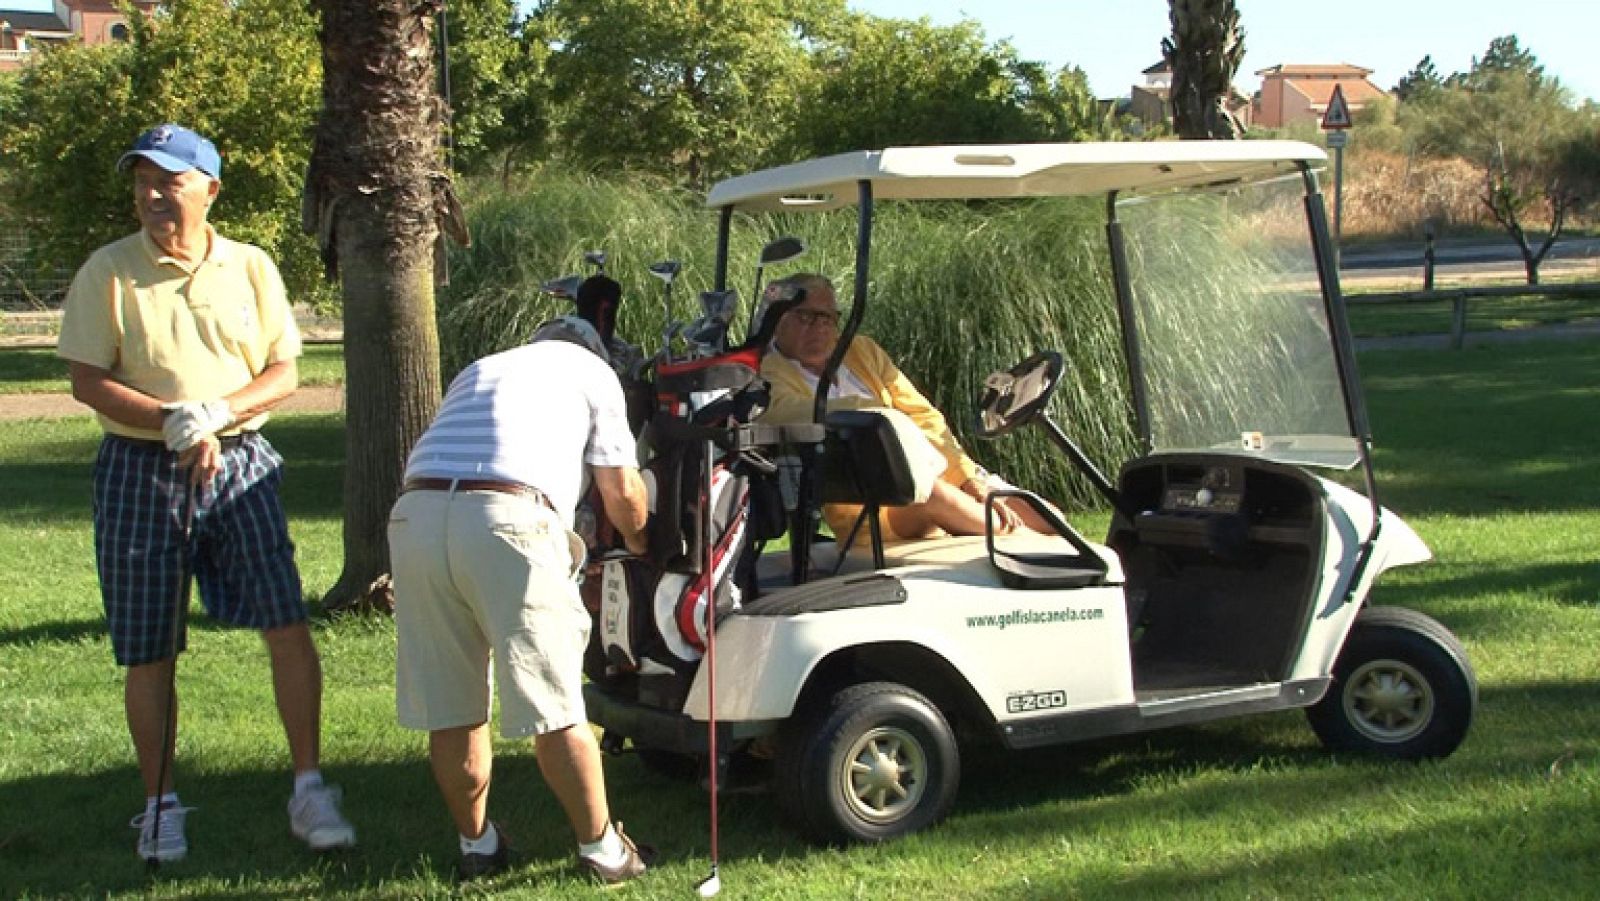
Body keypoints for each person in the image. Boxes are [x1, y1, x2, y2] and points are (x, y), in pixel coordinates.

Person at [56, 123, 355, 862]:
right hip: (139, 468)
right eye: (142, 182)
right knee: (149, 645)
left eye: (169, 180)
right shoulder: (109, 270)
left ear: (210, 189)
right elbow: (87, 378)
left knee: (285, 621)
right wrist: (172, 419)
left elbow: (284, 369)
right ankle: (160, 804)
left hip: (243, 462)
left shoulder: (250, 266)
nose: (153, 194)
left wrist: (216, 413)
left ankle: (309, 786)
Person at [387, 315, 654, 885]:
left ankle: (477, 845)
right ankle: (604, 851)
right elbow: (620, 490)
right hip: (508, 517)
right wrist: (640, 539)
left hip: (415, 514)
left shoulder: (482, 367)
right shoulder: (595, 373)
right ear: (595, 350)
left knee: (453, 707)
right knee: (555, 703)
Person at [759, 273, 1055, 543]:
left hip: (934, 475)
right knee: (939, 498)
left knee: (1047, 515)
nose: (821, 328)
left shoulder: (861, 351)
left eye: (828, 318)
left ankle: (1031, 542)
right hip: (873, 503)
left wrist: (966, 479)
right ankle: (1030, 551)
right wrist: (882, 418)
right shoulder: (768, 371)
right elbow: (785, 413)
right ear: (778, 318)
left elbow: (923, 416)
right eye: (807, 317)